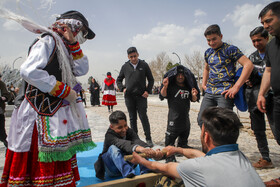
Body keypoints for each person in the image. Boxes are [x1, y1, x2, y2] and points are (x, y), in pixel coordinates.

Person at [1, 10, 96, 186]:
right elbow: (29, 71)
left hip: (53, 113)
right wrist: (62, 90)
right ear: (72, 27)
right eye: (82, 33)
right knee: (38, 158)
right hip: (38, 113)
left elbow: (81, 70)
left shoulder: (65, 46)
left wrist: (75, 44)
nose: (83, 37)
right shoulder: (48, 40)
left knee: (57, 157)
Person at [131, 107, 265, 187]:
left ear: (206, 137)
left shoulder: (197, 167)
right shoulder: (241, 158)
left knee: (165, 181)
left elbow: (163, 168)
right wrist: (178, 150)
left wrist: (140, 160)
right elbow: (202, 157)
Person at [197, 24, 253, 128]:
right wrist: (203, 84)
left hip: (225, 92)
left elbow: (248, 65)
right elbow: (206, 68)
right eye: (208, 40)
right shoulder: (208, 52)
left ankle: (224, 144)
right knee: (202, 119)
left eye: (214, 39)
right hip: (210, 91)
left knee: (224, 123)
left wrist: (236, 87)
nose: (211, 43)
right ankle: (209, 143)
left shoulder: (230, 49)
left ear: (221, 36)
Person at [94, 110, 161, 180]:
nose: (124, 130)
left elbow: (137, 140)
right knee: (113, 148)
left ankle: (145, 171)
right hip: (112, 168)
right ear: (111, 127)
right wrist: (140, 149)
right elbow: (123, 144)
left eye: (125, 125)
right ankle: (128, 173)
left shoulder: (129, 131)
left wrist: (148, 149)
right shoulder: (109, 135)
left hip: (128, 162)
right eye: (119, 127)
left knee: (139, 146)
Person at [257, 2, 280, 186]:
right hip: (277, 98)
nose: (265, 26)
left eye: (269, 20)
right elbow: (269, 72)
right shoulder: (272, 46)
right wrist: (261, 94)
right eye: (263, 22)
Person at [245, 26, 274, 169]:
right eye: (253, 41)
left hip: (273, 95)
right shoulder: (251, 58)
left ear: (267, 38)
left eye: (259, 40)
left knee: (276, 127)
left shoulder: (274, 52)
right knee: (258, 129)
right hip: (255, 97)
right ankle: (265, 157)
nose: (256, 43)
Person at [159, 65, 199, 162]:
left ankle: (181, 146)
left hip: (185, 117)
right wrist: (165, 86)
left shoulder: (187, 87)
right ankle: (169, 155)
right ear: (175, 76)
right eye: (178, 75)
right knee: (170, 137)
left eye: (182, 75)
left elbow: (193, 100)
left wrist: (194, 95)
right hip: (174, 118)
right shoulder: (171, 86)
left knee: (185, 131)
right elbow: (163, 95)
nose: (180, 77)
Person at [116, 47, 154, 147]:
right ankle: (135, 139)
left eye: (135, 56)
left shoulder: (144, 65)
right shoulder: (125, 67)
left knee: (143, 117)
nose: (133, 58)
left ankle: (148, 138)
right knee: (132, 118)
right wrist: (122, 88)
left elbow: (151, 80)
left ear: (138, 54)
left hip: (141, 96)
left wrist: (147, 91)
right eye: (131, 57)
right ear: (128, 57)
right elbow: (119, 80)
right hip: (129, 97)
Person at [0, 74, 12, 148]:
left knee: (2, 134)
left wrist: (3, 98)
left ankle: (9, 147)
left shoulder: (1, 84)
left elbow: (7, 95)